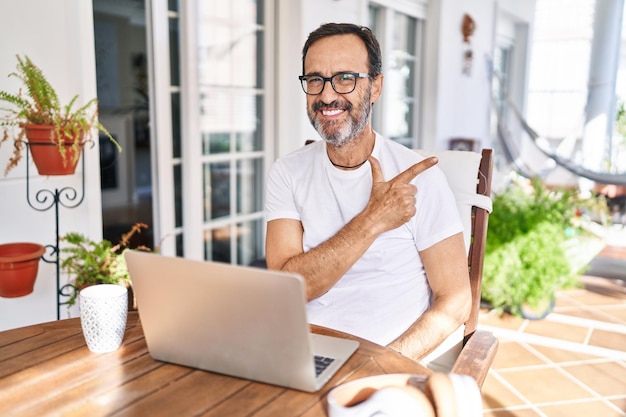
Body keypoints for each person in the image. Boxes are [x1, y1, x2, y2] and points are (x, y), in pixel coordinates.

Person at [264, 23, 471, 363]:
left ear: (375, 87)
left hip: (387, 362)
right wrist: (373, 219)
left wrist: (381, 365)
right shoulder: (288, 172)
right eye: (315, 79)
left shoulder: (421, 178)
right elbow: (288, 287)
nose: (327, 96)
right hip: (304, 353)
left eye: (345, 78)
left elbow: (456, 300)